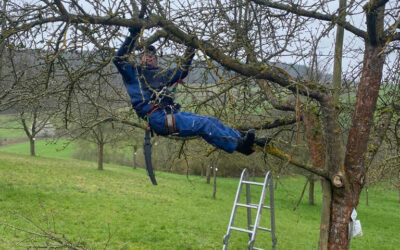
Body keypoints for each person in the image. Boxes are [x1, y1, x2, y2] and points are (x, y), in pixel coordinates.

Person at [113, 27, 261, 155]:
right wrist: (133, 35)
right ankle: (239, 145)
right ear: (140, 59)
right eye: (145, 55)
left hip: (170, 113)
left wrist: (191, 49)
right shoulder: (133, 74)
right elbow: (118, 59)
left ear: (156, 59)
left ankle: (243, 138)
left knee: (211, 121)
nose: (148, 58)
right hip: (158, 118)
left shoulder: (161, 75)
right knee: (204, 125)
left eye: (152, 55)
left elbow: (182, 70)